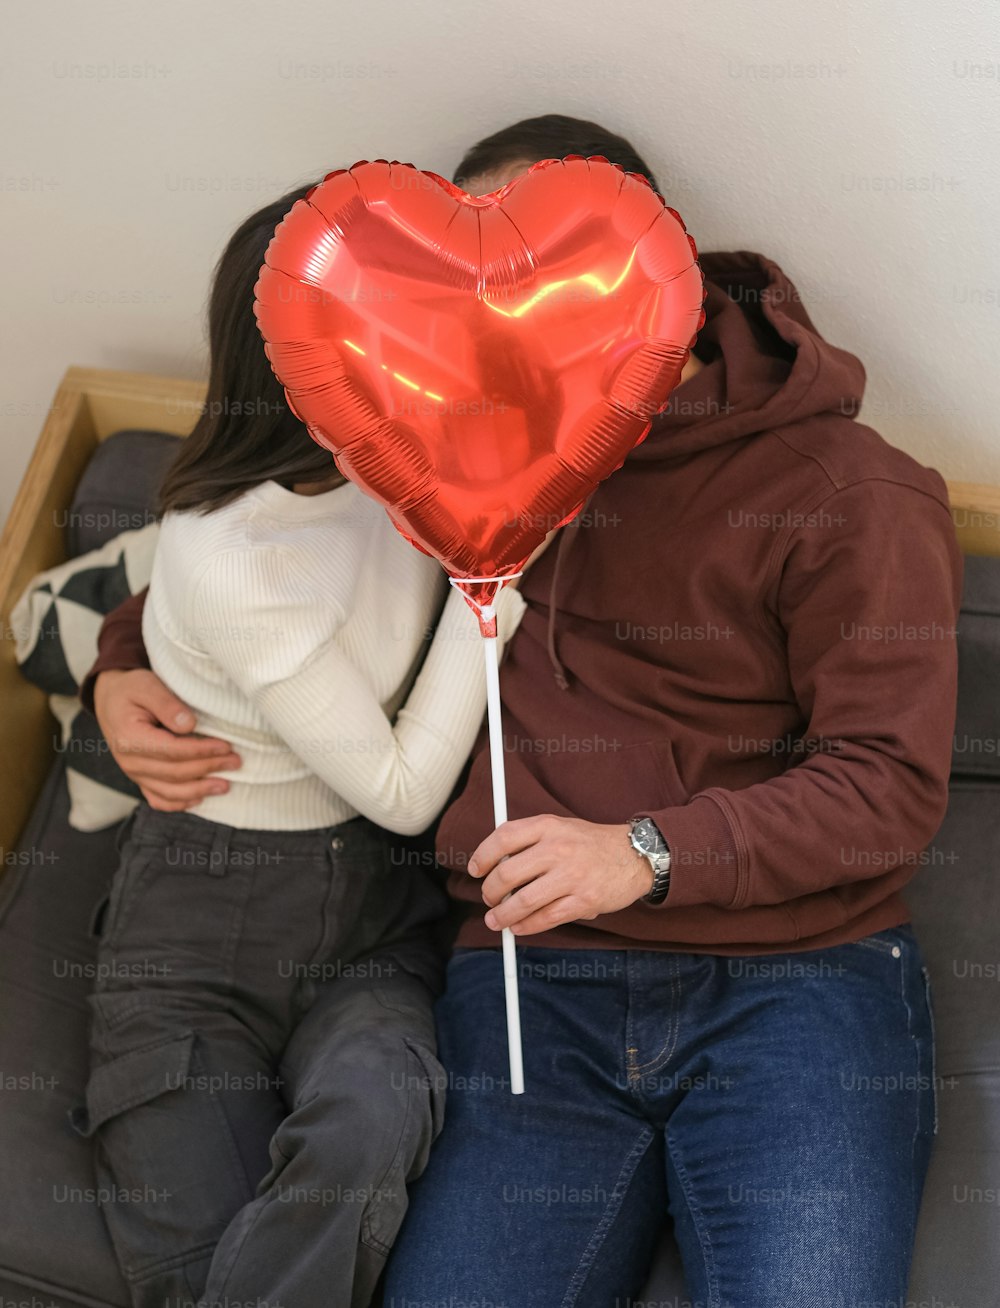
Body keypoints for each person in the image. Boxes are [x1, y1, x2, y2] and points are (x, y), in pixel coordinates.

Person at [88, 115, 962, 1306]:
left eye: (544, 290)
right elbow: (262, 551)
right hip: (525, 985)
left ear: (659, 278)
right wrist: (122, 657)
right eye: (473, 301)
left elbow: (888, 788)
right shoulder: (450, 441)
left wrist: (642, 854)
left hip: (795, 982)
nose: (506, 337)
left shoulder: (851, 497)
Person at [72, 181, 525, 1308]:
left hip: (373, 916)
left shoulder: (418, 454)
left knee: (377, 1108)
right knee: (203, 1265)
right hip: (204, 920)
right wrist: (493, 599)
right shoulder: (230, 547)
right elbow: (402, 791)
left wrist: (120, 663)